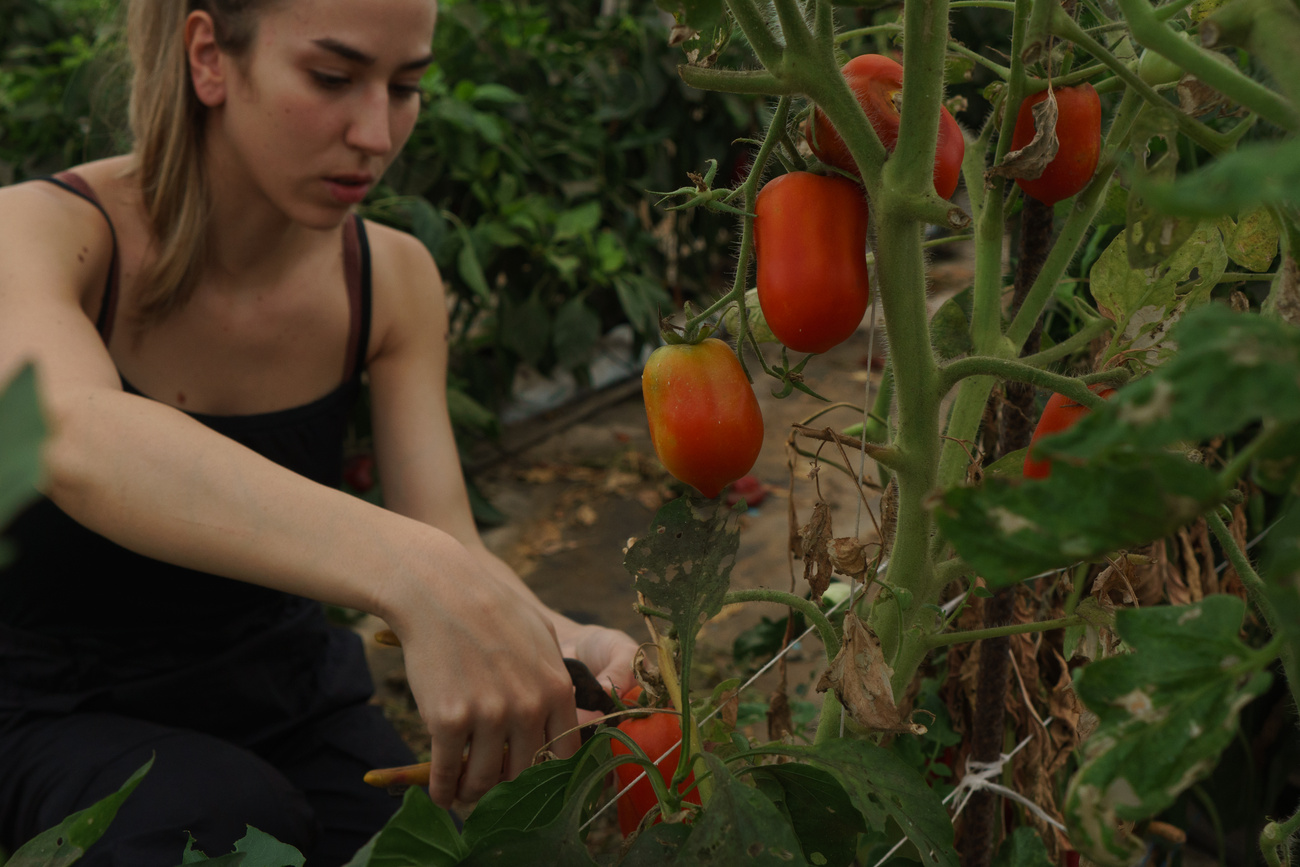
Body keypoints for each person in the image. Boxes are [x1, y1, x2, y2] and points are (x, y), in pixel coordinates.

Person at [0, 1, 639, 864]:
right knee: (217, 818)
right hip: (51, 711)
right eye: (333, 78)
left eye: (406, 86)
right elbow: (69, 430)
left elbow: (444, 534)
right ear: (209, 58)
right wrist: (411, 571)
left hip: (289, 698)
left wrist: (557, 637)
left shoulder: (392, 277)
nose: (377, 133)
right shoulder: (43, 232)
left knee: (427, 849)